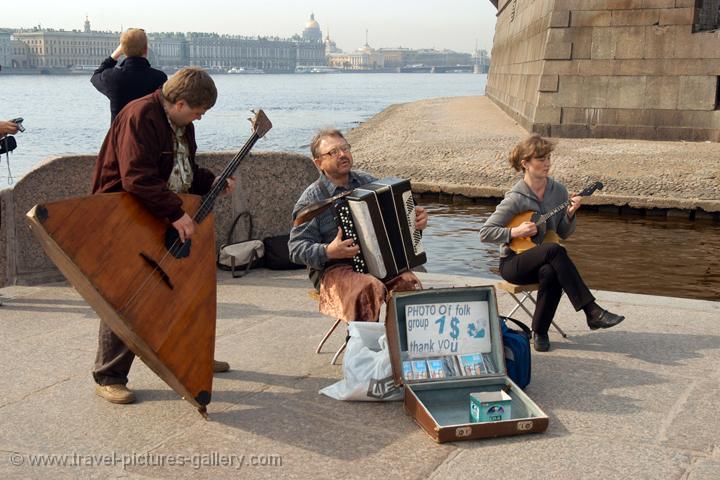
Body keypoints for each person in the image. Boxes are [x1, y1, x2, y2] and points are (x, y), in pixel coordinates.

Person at [91, 67, 235, 404]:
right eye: (198, 111)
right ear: (180, 102)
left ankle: (190, 356)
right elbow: (136, 177)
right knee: (127, 294)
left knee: (184, 287)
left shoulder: (180, 123)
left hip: (158, 211)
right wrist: (175, 213)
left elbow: (182, 168)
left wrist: (210, 182)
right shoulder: (140, 115)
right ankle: (109, 375)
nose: (199, 118)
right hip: (127, 214)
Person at [479, 134, 624, 352]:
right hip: (514, 263)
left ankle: (540, 331)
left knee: (551, 269)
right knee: (555, 252)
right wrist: (515, 231)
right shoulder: (515, 198)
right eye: (540, 159)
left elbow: (563, 233)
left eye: (548, 158)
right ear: (525, 163)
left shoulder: (559, 192)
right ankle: (591, 311)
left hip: (544, 257)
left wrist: (570, 214)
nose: (546, 163)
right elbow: (485, 232)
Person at [288, 128, 428, 325]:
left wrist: (416, 223)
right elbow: (295, 249)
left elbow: (397, 227)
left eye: (345, 148)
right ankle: (361, 347)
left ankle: (401, 344)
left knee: (409, 284)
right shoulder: (312, 200)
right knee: (367, 288)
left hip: (379, 264)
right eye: (333, 152)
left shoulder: (369, 182)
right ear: (318, 163)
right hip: (333, 271)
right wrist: (329, 251)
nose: (343, 154)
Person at [91, 28, 167, 122]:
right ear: (146, 49)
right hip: (149, 135)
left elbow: (95, 76)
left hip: (120, 135)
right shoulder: (159, 78)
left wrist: (114, 55)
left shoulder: (112, 78)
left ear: (123, 49)